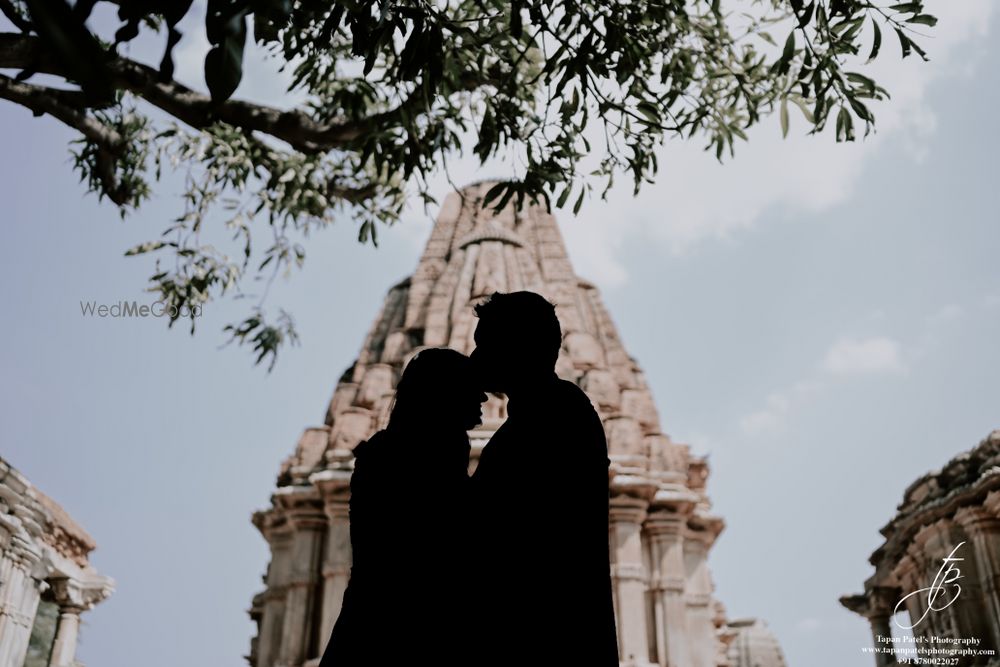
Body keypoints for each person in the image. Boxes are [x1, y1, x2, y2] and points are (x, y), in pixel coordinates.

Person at [468, 291, 620, 666]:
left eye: (484, 344)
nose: (475, 358)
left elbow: (509, 525)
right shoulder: (551, 412)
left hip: (541, 631)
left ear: (515, 347)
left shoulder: (556, 417)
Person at [319, 348, 487, 667]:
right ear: (442, 395)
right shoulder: (400, 457)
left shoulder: (410, 452)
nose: (483, 398)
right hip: (394, 624)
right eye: (470, 387)